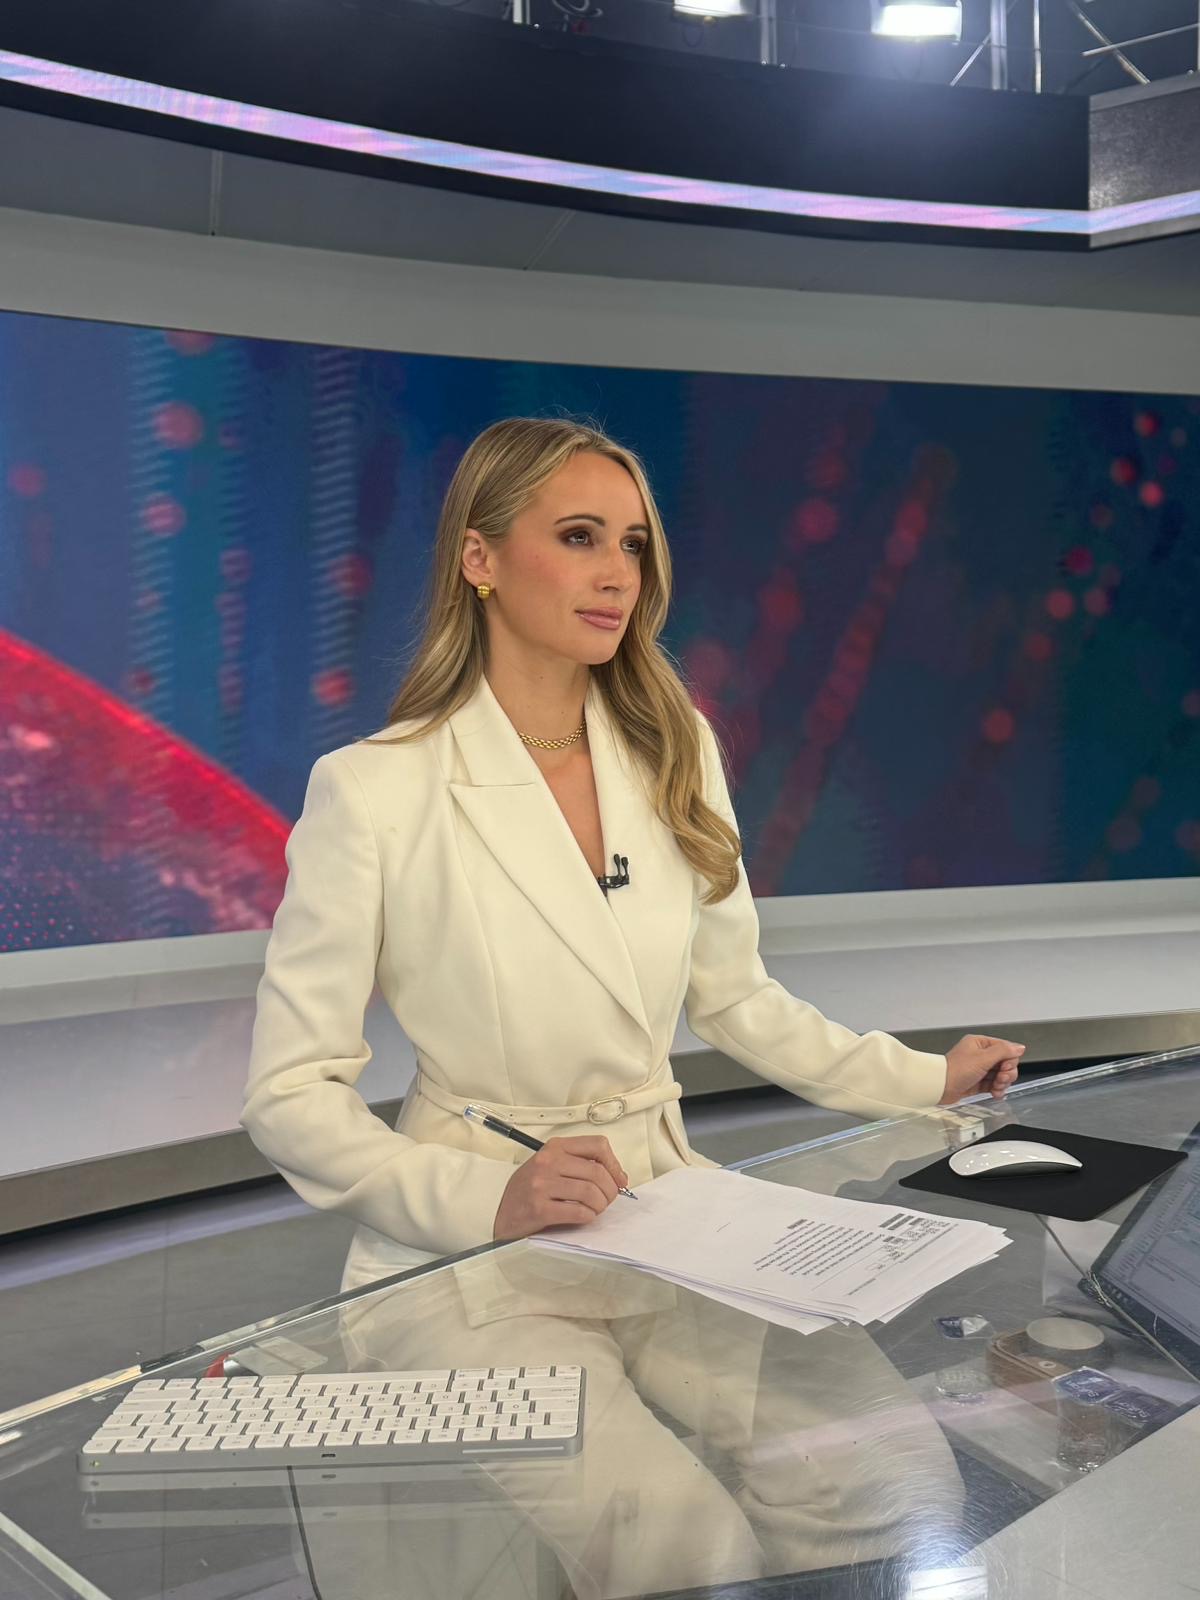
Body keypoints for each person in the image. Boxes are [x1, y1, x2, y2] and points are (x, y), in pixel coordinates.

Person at [240, 415, 1023, 1587]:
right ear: (481, 557)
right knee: (679, 1539)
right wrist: (488, 1197)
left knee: (889, 1476)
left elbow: (739, 998)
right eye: (579, 536)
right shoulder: (377, 788)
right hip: (477, 1252)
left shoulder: (674, 748)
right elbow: (289, 1094)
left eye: (636, 544)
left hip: (670, 1217)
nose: (619, 573)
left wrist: (926, 1078)